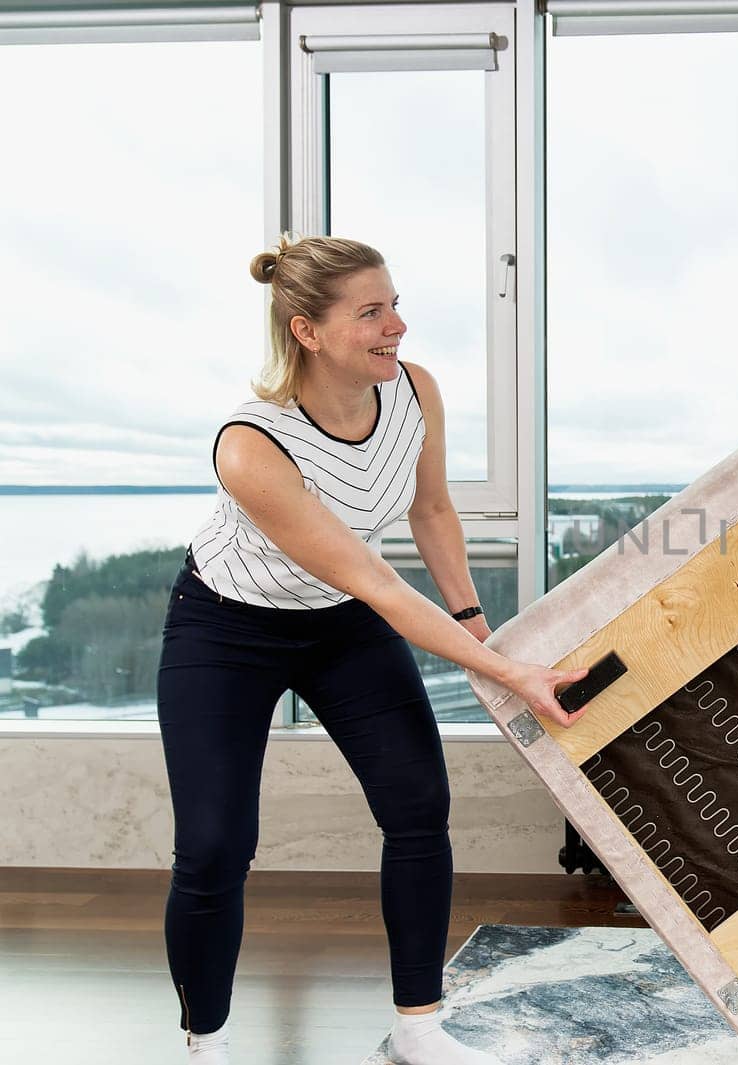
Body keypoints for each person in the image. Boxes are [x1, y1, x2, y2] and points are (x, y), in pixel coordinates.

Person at [158, 235, 588, 1065]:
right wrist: (508, 671)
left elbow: (430, 512)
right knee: (213, 845)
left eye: (393, 302)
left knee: (419, 807)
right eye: (371, 312)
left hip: (340, 623)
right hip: (227, 629)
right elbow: (381, 586)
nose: (398, 323)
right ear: (307, 331)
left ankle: (418, 1028)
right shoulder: (252, 445)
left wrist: (474, 624)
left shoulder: (414, 391)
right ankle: (203, 1041)